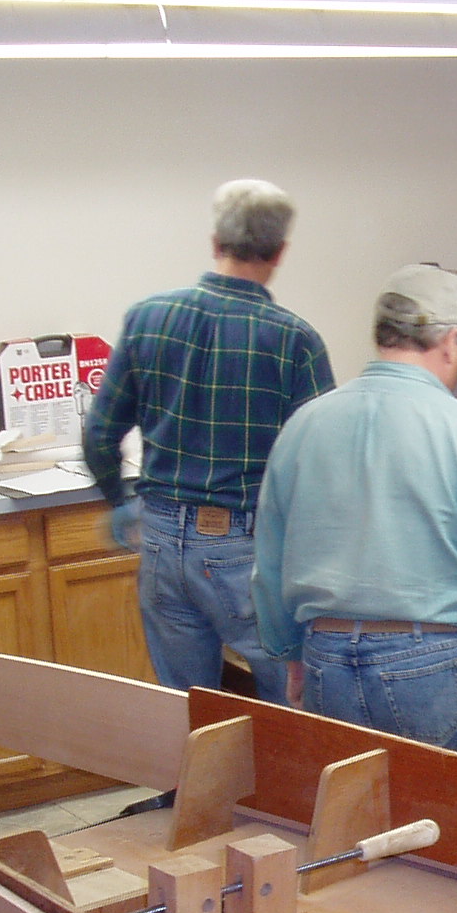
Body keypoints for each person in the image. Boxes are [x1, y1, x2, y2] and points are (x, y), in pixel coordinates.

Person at [251, 264, 457, 760]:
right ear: (452, 340)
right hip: (431, 662)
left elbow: (270, 564)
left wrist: (292, 660)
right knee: (451, 822)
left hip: (327, 657)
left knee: (352, 818)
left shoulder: (305, 426)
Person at [83, 178, 333, 699]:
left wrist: (120, 501)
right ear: (280, 252)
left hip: (158, 538)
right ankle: (284, 784)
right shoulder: (294, 340)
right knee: (293, 702)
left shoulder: (148, 318)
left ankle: (193, 785)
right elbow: (321, 466)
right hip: (244, 547)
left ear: (215, 242)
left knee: (187, 706)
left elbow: (100, 434)